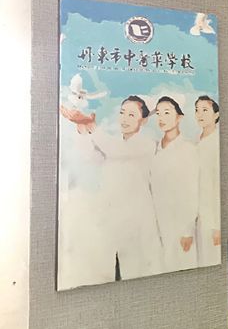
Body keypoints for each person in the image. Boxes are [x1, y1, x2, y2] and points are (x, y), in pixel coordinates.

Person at [59, 96, 161, 284]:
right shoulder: (114, 145)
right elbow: (92, 157)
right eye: (122, 113)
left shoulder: (145, 144)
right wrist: (82, 129)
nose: (125, 118)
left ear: (144, 120)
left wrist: (92, 125)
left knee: (138, 276)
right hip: (114, 221)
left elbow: (114, 150)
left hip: (137, 222)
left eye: (132, 115)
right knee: (113, 275)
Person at [150, 96, 199, 272]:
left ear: (179, 117)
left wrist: (187, 230)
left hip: (180, 225)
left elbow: (192, 191)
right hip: (158, 223)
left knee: (183, 268)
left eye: (167, 112)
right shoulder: (154, 149)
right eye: (158, 113)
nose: (161, 118)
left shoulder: (188, 149)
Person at [194, 95, 221, 267]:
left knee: (212, 260)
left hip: (213, 215)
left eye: (205, 110)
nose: (200, 114)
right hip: (198, 214)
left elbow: (217, 184)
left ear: (216, 114)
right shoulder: (196, 142)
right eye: (197, 110)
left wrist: (217, 225)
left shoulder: (217, 143)